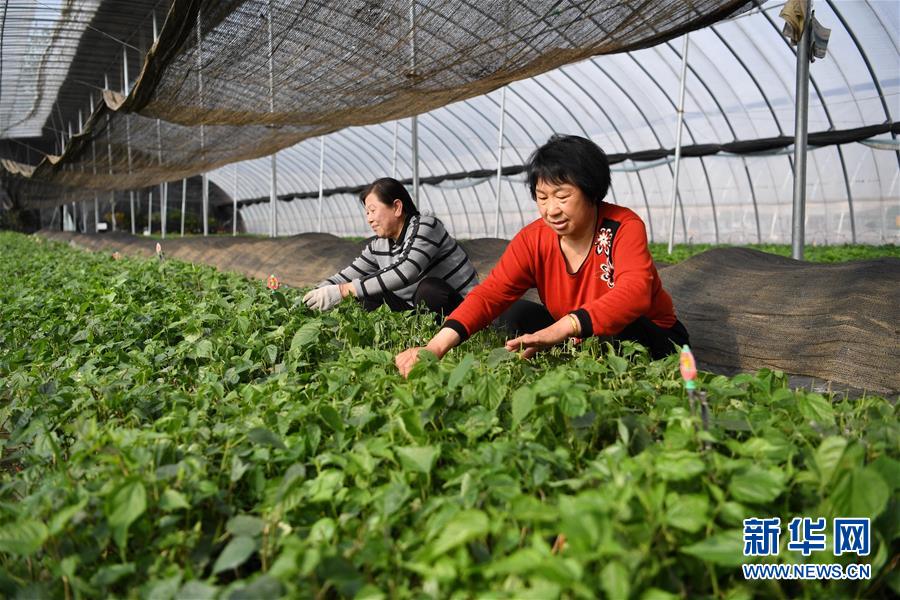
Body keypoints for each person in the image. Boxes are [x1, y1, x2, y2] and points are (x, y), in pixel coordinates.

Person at [395, 134, 689, 377]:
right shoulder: (534, 239)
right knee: (515, 313)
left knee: (623, 326)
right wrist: (434, 347)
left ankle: (593, 357)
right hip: (578, 333)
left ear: (591, 191)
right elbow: (490, 295)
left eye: (562, 196)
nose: (551, 210)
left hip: (651, 336)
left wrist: (559, 330)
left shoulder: (623, 226)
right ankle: (573, 349)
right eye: (542, 197)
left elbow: (635, 294)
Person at [303, 177, 478, 316]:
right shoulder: (379, 245)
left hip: (463, 308)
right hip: (417, 309)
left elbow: (406, 271)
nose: (369, 219)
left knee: (429, 291)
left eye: (373, 211)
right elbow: (348, 275)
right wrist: (316, 294)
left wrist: (343, 290)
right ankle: (410, 335)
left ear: (396, 207)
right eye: (367, 213)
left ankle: (450, 336)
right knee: (368, 292)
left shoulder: (426, 226)